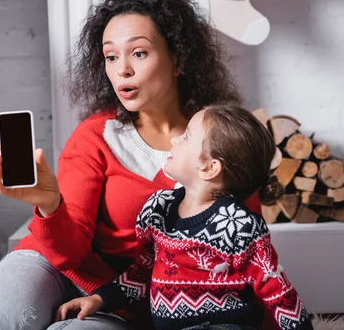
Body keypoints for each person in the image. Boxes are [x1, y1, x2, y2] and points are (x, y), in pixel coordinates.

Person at [0, 0, 257, 329]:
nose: (122, 70)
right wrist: (49, 204)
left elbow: (250, 258)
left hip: (118, 305)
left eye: (138, 53)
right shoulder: (96, 135)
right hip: (50, 265)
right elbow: (70, 254)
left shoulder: (220, 143)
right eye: (110, 56)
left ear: (177, 58)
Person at [56, 105, 313, 330]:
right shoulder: (158, 210)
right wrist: (99, 299)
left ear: (209, 167)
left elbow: (277, 290)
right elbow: (141, 272)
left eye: (187, 136)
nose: (176, 139)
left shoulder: (238, 225)